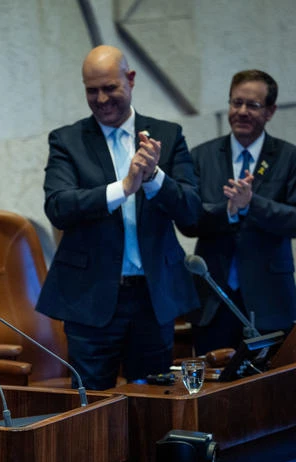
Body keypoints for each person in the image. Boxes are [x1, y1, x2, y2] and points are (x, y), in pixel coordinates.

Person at [36, 45, 201, 390]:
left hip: (153, 295)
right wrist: (124, 187)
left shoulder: (167, 136)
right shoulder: (68, 140)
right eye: (91, 90)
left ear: (131, 79)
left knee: (155, 403)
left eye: (110, 88)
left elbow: (190, 213)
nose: (100, 99)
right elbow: (59, 206)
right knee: (91, 409)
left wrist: (154, 177)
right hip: (91, 297)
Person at [182, 70, 296, 355]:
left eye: (252, 105)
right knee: (214, 394)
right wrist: (228, 211)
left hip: (270, 299)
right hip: (213, 300)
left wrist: (251, 204)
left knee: (271, 393)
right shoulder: (200, 156)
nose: (242, 112)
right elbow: (188, 219)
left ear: (270, 111)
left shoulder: (288, 157)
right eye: (236, 103)